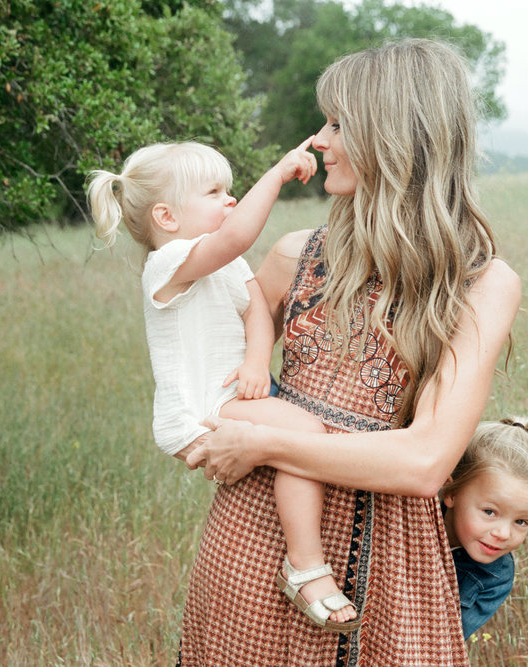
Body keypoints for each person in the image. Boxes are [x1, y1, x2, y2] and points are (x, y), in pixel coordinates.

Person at [177, 38, 522, 665]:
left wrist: (264, 443)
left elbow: (424, 460)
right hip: (258, 540)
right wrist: (211, 426)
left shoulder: (481, 284)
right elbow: (201, 374)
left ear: (395, 137)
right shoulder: (294, 255)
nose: (320, 140)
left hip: (389, 556)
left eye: (338, 123)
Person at [86, 138, 359, 631]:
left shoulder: (224, 264)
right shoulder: (167, 263)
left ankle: (296, 558)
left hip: (231, 394)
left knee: (294, 442)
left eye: (231, 191)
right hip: (201, 409)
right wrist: (275, 174)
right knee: (304, 436)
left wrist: (257, 361)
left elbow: (256, 310)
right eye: (215, 192)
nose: (230, 201)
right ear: (167, 218)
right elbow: (234, 238)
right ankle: (305, 565)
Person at [442, 416, 528, 640]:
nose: (503, 534)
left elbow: (444, 644)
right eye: (490, 512)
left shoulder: (495, 577)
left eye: (521, 521)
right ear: (452, 493)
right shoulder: (407, 520)